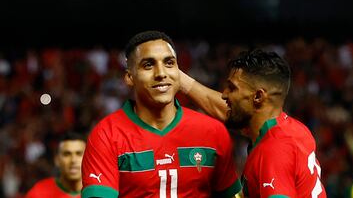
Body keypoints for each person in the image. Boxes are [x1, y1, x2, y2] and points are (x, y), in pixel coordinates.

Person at [81, 30, 241, 198]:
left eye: (169, 63)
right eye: (148, 65)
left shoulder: (213, 131)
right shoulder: (106, 135)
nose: (161, 73)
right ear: (129, 77)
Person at [179, 49, 327, 197]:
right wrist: (180, 80)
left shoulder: (273, 151)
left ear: (258, 96)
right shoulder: (295, 129)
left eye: (232, 88)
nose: (224, 94)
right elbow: (228, 111)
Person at [25, 131, 86, 198]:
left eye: (79, 154)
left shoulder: (97, 193)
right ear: (57, 160)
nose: (73, 160)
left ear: (88, 159)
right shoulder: (38, 193)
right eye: (67, 154)